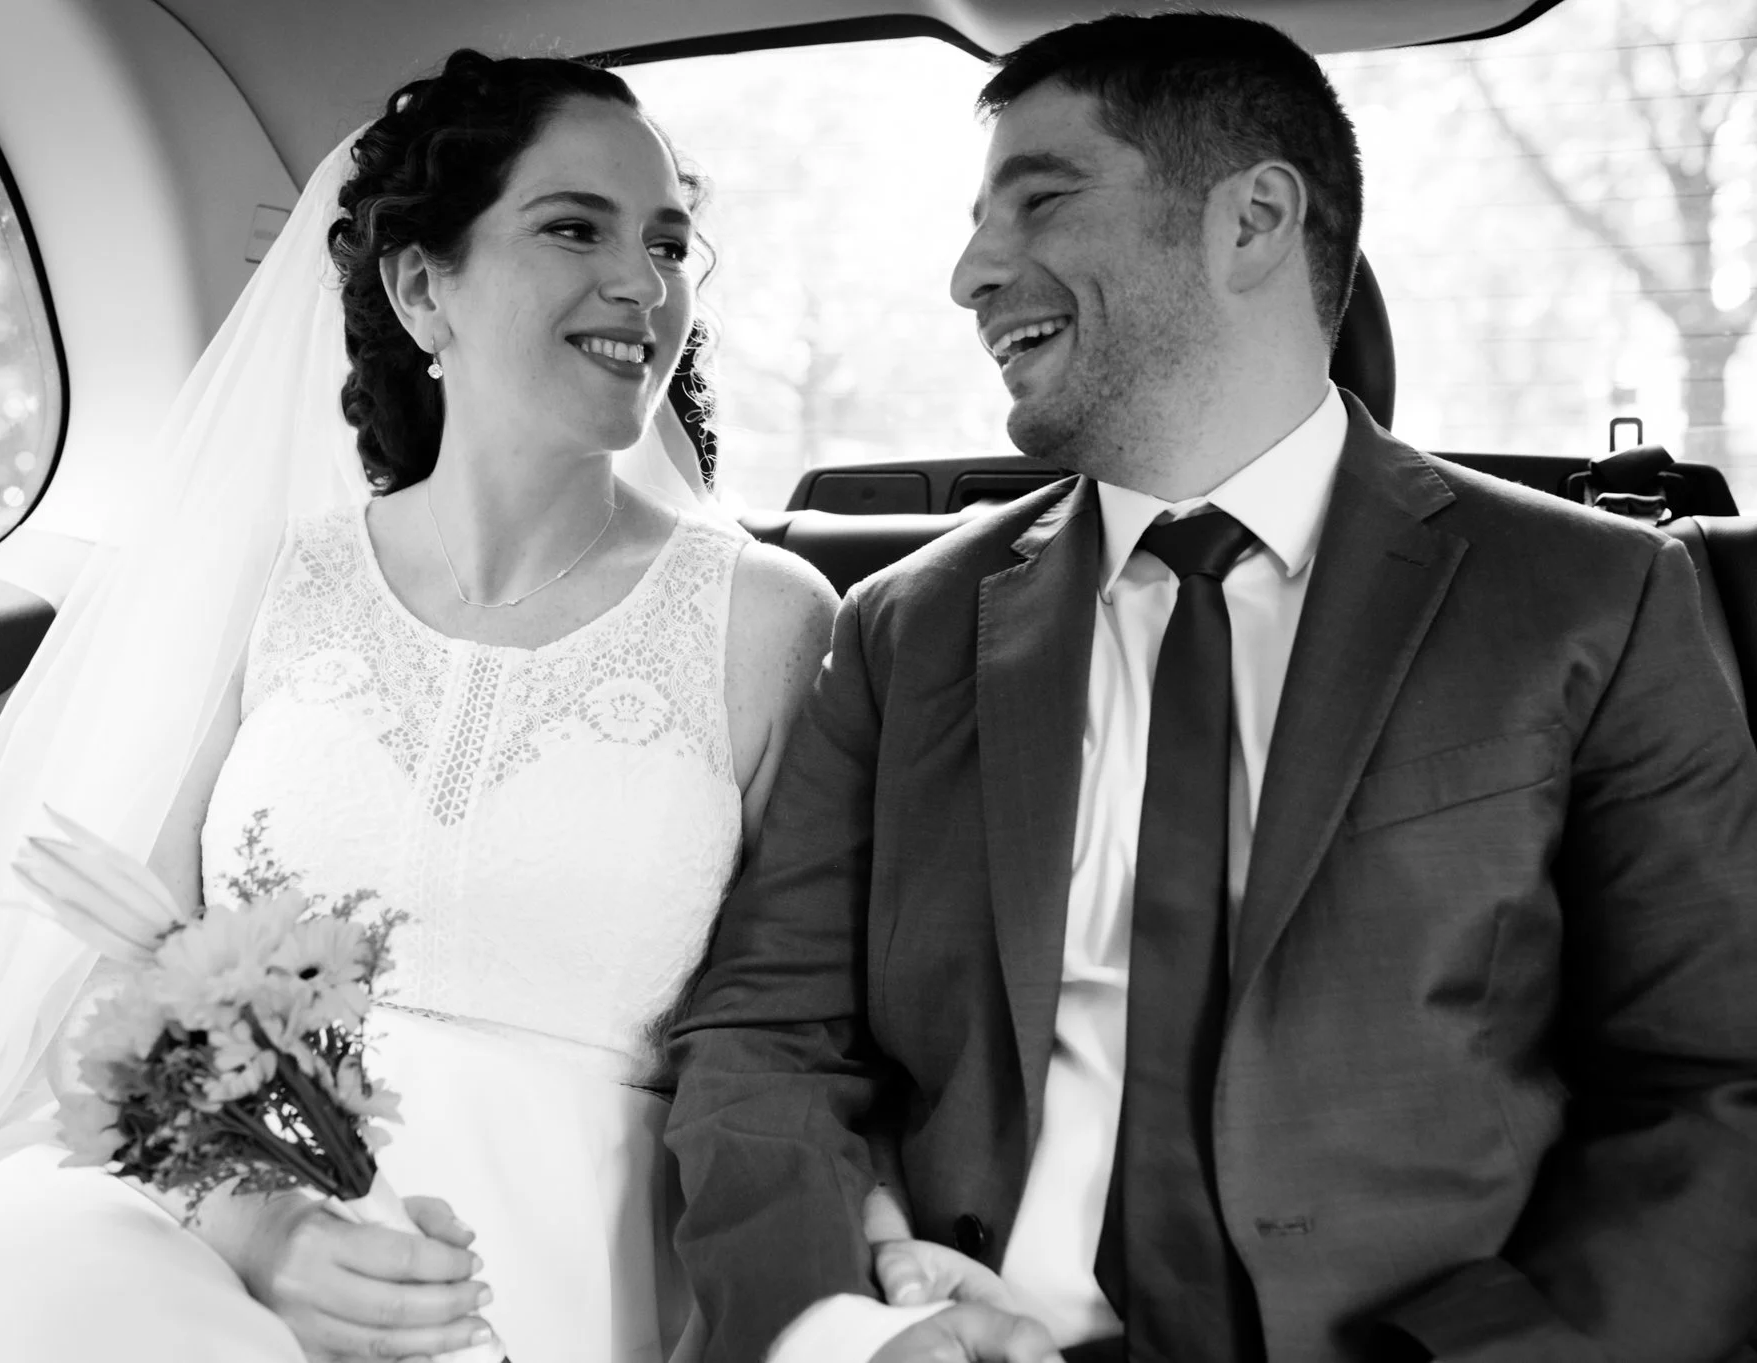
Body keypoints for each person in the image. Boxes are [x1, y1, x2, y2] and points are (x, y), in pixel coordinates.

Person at [0, 51, 838, 1363]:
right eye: (575, 226)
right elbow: (118, 983)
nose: (644, 282)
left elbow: (799, 1036)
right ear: (424, 288)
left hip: (549, 1261)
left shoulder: (766, 617)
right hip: (206, 1193)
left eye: (669, 242)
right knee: (18, 1289)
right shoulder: (280, 582)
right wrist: (260, 1229)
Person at [665, 12, 1757, 1363]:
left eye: (1042, 198)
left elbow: (1712, 1083)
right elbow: (767, 1042)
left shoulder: (1595, 601)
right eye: (976, 218)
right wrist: (846, 1327)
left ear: (1252, 222)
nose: (970, 272)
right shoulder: (905, 633)